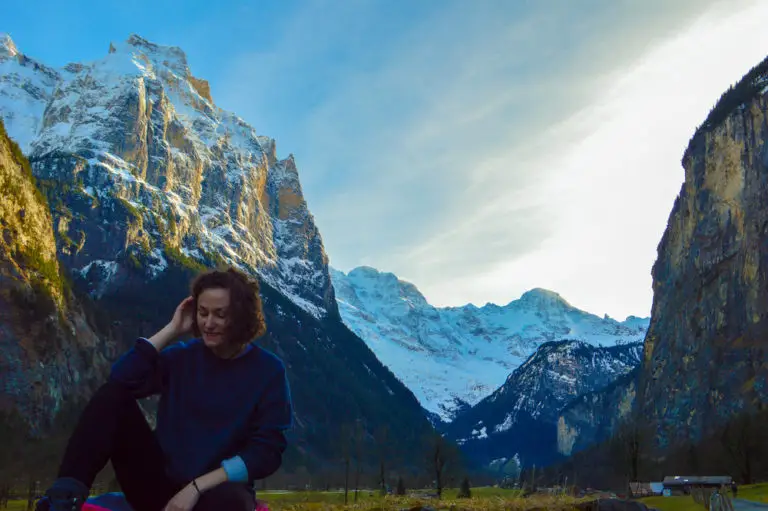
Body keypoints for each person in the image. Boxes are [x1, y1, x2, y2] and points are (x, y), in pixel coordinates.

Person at [36, 267, 294, 511]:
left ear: (241, 316)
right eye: (202, 312)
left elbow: (267, 451)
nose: (208, 323)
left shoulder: (268, 371)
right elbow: (120, 381)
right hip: (156, 484)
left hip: (216, 491)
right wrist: (172, 329)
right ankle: (64, 499)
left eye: (220, 314)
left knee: (232, 502)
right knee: (112, 397)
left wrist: (196, 487)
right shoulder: (183, 357)